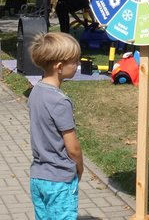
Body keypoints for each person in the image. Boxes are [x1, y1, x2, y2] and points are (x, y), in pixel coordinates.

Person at [28, 32, 84, 220]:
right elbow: (73, 147)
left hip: (38, 176)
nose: (78, 65)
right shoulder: (60, 101)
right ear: (59, 67)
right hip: (59, 179)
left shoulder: (35, 91)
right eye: (75, 62)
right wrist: (80, 168)